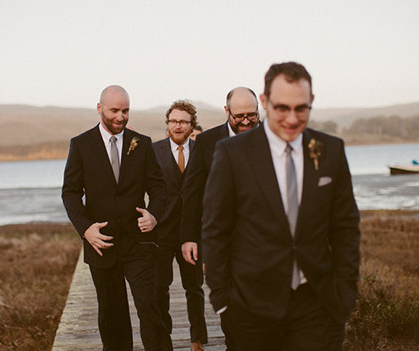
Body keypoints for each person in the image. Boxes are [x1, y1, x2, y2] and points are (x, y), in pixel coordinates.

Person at [202, 62, 361, 350]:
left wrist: (345, 293)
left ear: (311, 102)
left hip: (318, 304)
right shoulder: (232, 153)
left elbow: (345, 227)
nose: (292, 118)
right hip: (251, 306)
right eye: (282, 108)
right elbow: (216, 230)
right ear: (265, 102)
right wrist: (223, 301)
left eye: (301, 108)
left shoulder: (330, 150)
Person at [62, 85, 172, 351]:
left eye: (126, 111)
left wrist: (154, 215)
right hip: (102, 243)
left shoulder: (142, 143)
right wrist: (86, 229)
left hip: (140, 242)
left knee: (150, 306)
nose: (121, 117)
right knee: (112, 314)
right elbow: (71, 193)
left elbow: (158, 188)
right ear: (99, 108)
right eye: (114, 110)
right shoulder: (81, 144)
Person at [180, 87, 259, 350]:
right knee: (232, 311)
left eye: (252, 115)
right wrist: (189, 237)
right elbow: (192, 192)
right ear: (227, 111)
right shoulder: (206, 142)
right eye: (239, 116)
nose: (246, 121)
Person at [153, 100, 208, 351]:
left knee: (194, 288)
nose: (178, 125)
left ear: (191, 125)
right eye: (173, 121)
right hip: (161, 232)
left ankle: (198, 339)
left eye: (183, 122)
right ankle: (164, 340)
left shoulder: (202, 150)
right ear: (167, 124)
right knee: (160, 288)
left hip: (193, 232)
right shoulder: (153, 151)